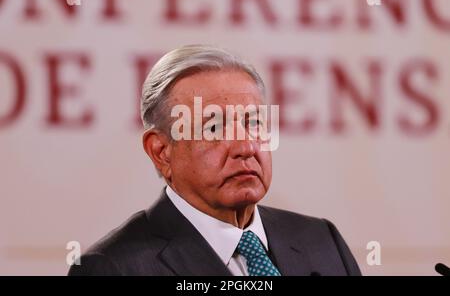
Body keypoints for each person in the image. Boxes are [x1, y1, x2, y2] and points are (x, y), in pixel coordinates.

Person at [68, 45, 361, 276]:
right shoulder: (113, 268)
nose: (246, 146)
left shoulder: (323, 241)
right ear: (161, 151)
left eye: (254, 123)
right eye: (214, 128)